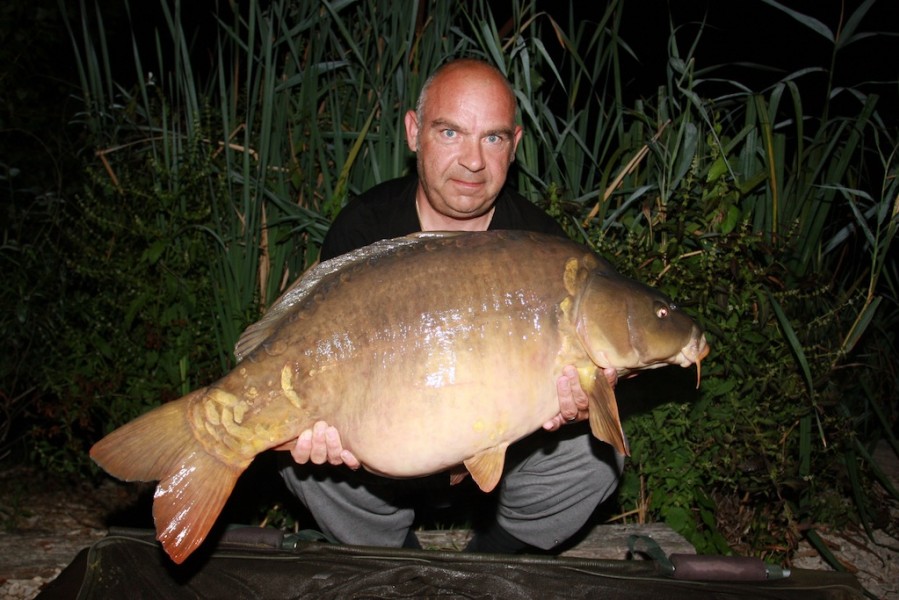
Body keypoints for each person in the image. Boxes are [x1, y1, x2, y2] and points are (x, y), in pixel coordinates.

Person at [279, 58, 623, 554]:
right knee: (303, 464)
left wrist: (575, 405)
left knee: (597, 457)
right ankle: (398, 563)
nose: (473, 161)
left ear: (516, 145)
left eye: (493, 138)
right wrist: (325, 429)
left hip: (507, 454)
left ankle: (493, 563)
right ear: (414, 132)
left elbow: (577, 374)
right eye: (450, 133)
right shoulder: (363, 230)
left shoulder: (542, 247)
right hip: (384, 455)